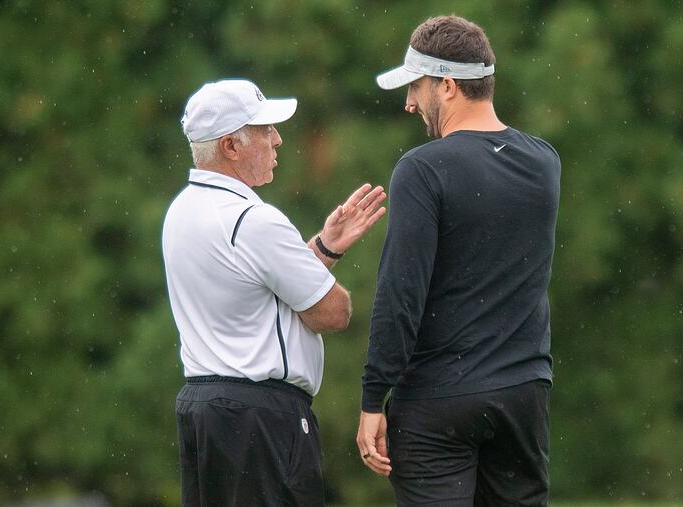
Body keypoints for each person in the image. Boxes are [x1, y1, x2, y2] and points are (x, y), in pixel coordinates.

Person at [356, 15, 561, 506]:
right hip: (523, 394)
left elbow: (401, 294)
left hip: (439, 399)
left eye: (415, 87)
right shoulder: (544, 161)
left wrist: (372, 396)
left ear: (447, 86)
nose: (409, 102)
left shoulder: (422, 168)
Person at [163, 78, 386, 506]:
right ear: (230, 146)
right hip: (259, 417)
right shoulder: (252, 219)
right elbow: (332, 312)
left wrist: (322, 249)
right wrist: (321, 274)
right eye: (265, 129)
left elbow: (254, 290)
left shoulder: (180, 211)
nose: (278, 139)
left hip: (203, 409)